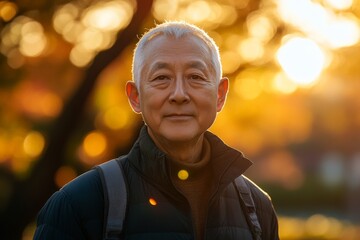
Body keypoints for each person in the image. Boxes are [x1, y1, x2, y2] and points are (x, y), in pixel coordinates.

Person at [34, 21, 279, 240]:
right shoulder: (78, 204)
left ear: (220, 94)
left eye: (195, 76)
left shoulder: (256, 208)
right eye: (162, 78)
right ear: (135, 97)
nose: (179, 94)